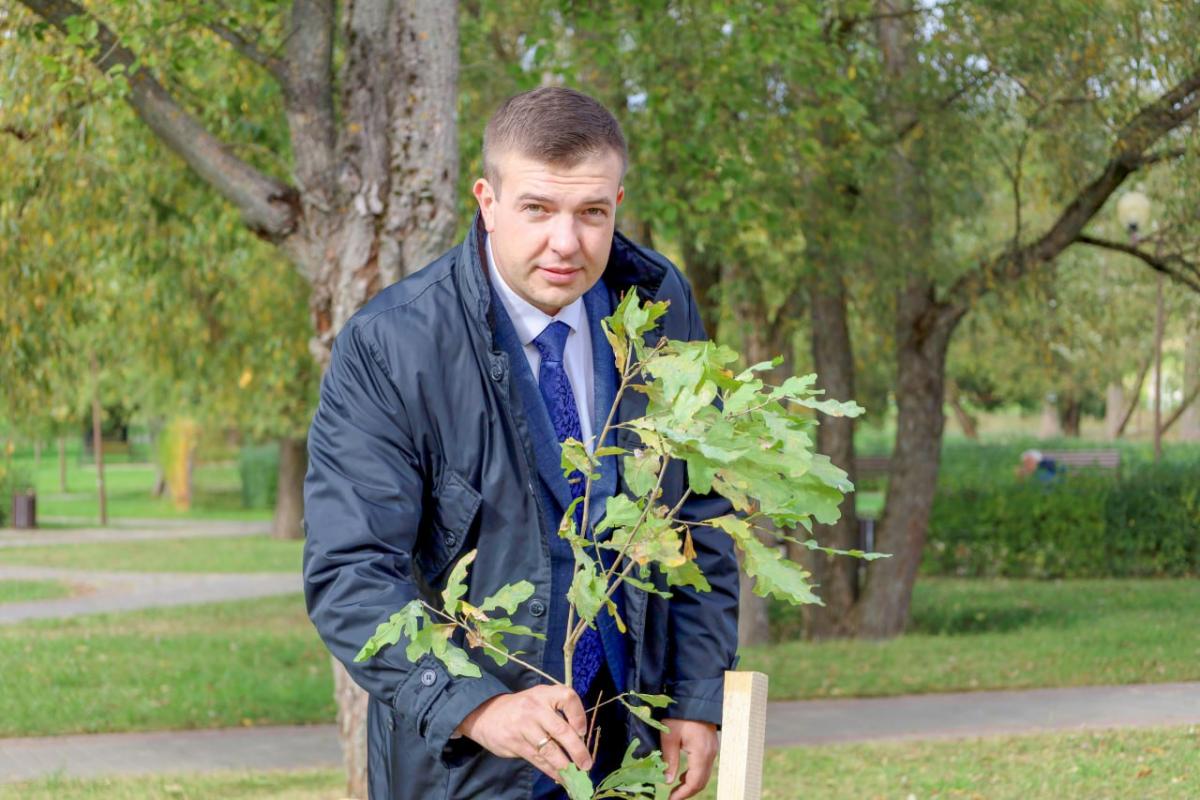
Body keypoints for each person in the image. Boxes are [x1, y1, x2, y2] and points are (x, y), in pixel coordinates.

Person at [303, 87, 739, 800]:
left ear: (617, 203)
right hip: (467, 767)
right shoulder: (390, 347)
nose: (566, 242)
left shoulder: (659, 307)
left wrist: (695, 694)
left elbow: (699, 513)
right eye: (537, 208)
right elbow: (349, 572)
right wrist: (479, 709)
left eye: (591, 212)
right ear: (488, 201)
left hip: (630, 752)